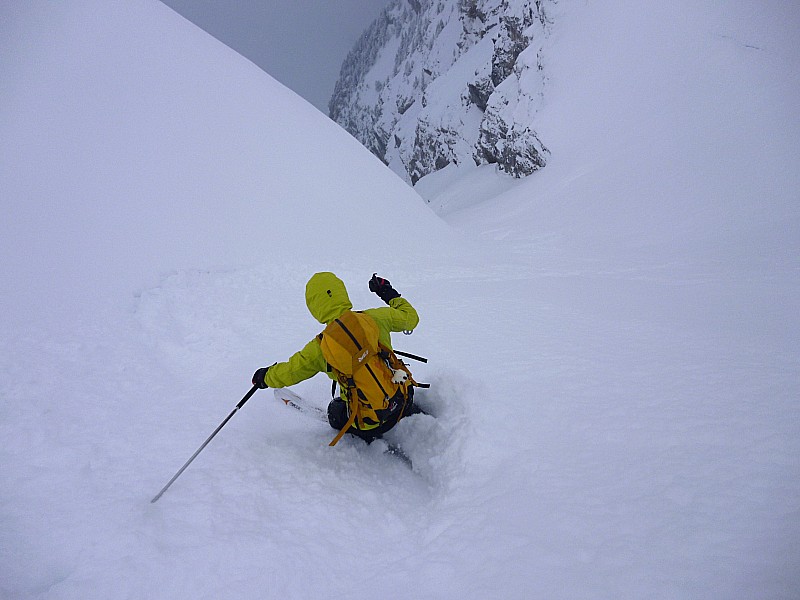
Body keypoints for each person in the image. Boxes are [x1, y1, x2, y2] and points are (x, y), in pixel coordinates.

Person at [252, 272, 421, 443]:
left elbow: (291, 371)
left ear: (314, 307)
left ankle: (364, 426)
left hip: (369, 425)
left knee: (335, 409)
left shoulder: (320, 348)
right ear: (342, 293)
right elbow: (411, 318)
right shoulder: (375, 318)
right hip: (404, 399)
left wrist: (266, 377)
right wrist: (387, 292)